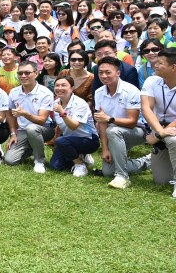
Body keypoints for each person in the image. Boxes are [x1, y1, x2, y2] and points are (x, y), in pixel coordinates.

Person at [94, 56, 149, 189]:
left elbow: (132, 122)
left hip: (139, 131)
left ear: (118, 73)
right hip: (114, 133)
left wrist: (109, 119)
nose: (104, 76)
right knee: (108, 171)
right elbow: (101, 122)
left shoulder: (131, 91)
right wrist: (105, 148)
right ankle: (148, 161)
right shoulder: (98, 92)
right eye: (101, 72)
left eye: (108, 72)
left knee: (112, 129)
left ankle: (122, 176)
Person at [4, 60, 57, 173]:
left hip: (44, 129)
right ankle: (32, 148)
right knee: (9, 160)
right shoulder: (14, 92)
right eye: (20, 73)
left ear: (36, 73)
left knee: (32, 129)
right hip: (23, 130)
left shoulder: (45, 93)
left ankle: (39, 161)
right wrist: (13, 133)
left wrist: (24, 114)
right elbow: (9, 114)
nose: (23, 76)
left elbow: (42, 120)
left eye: (27, 73)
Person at [48, 75, 98, 176]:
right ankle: (78, 155)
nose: (59, 88)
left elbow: (73, 126)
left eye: (63, 85)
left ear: (72, 88)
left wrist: (62, 112)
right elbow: (61, 127)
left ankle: (80, 164)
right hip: (68, 139)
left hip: (88, 139)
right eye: (57, 85)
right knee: (56, 166)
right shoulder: (56, 103)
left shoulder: (80, 103)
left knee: (61, 141)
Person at [142, 47, 176, 197]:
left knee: (173, 139)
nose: (155, 65)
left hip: (171, 130)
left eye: (160, 63)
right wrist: (159, 132)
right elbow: (146, 108)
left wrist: (158, 135)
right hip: (160, 129)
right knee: (161, 180)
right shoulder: (151, 81)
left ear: (173, 67)